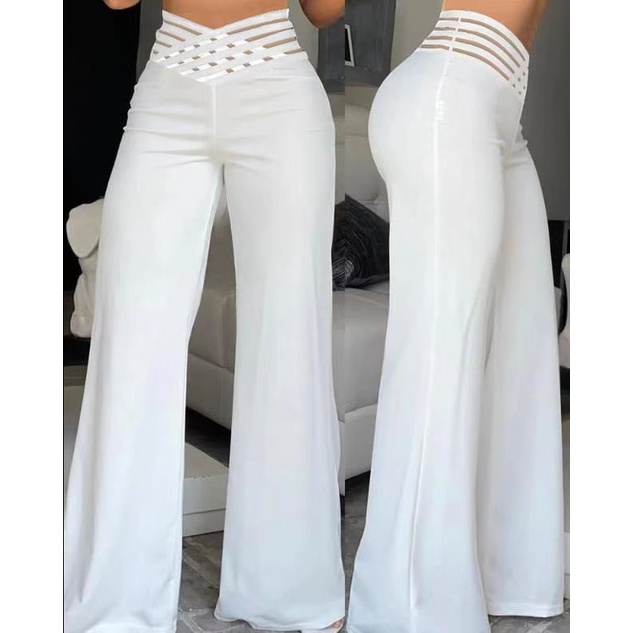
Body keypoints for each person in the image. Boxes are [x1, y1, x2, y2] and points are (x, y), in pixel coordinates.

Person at [63, 1, 345, 632]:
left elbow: (326, 11)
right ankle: (116, 596)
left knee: (288, 337)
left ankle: (290, 589)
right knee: (131, 338)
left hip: (277, 86)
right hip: (171, 83)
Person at [348, 1, 564, 631]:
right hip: (451, 92)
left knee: (524, 336)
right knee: (443, 351)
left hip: (497, 103)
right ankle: (410, 608)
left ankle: (506, 570)